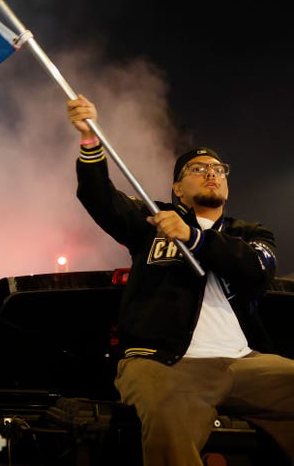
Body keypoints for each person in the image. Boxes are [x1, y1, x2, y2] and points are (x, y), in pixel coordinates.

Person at [67, 95, 294, 465]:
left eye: (219, 169)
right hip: (165, 364)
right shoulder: (152, 220)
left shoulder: (248, 232)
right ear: (177, 188)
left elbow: (257, 269)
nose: (211, 173)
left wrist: (194, 237)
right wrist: (90, 141)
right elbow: (100, 199)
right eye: (198, 169)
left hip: (244, 361)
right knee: (166, 412)